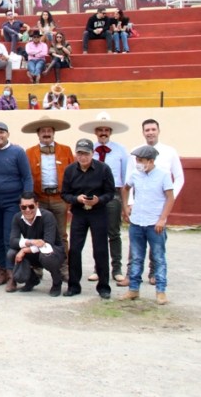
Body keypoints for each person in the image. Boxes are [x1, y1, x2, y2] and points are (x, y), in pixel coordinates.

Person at [128, 118, 184, 286]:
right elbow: (129, 179)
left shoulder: (170, 151)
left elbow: (179, 177)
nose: (150, 132)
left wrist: (170, 197)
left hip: (159, 204)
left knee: (157, 239)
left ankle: (153, 272)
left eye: (153, 129)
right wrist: (130, 202)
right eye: (147, 130)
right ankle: (131, 275)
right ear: (143, 132)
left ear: (158, 131)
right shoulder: (135, 152)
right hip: (140, 204)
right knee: (136, 240)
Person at [80, 112, 130, 285]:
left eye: (106, 130)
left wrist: (125, 203)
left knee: (113, 233)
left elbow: (125, 178)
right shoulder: (89, 150)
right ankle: (98, 268)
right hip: (94, 195)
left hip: (113, 194)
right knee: (97, 233)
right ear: (95, 132)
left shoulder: (121, 150)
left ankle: (116, 268)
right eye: (100, 130)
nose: (103, 133)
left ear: (110, 132)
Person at [61, 138, 116, 299]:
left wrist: (98, 200)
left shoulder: (103, 169)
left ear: (92, 154)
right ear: (76, 154)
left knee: (100, 249)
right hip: (79, 212)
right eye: (79, 153)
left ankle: (104, 286)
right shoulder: (70, 170)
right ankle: (74, 285)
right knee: (75, 249)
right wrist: (76, 199)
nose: (83, 157)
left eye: (86, 154)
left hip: (98, 212)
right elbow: (64, 194)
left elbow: (110, 192)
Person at [22, 115, 74, 282]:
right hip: (40, 199)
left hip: (60, 198)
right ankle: (37, 268)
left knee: (61, 235)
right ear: (38, 134)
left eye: (49, 130)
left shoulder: (66, 150)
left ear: (54, 132)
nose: (46, 133)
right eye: (43, 131)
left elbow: (72, 174)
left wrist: (70, 198)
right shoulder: (29, 152)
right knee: (37, 233)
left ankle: (63, 267)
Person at [121, 146, 175, 305]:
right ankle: (133, 289)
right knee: (136, 257)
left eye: (141, 160)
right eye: (137, 160)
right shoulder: (135, 174)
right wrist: (126, 207)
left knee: (158, 257)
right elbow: (126, 189)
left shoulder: (163, 175)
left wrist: (162, 219)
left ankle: (161, 291)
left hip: (154, 222)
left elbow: (170, 198)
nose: (138, 163)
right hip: (137, 221)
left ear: (150, 161)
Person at [0, 121, 33, 288]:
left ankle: (12, 273)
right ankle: (1, 270)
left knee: (9, 237)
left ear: (7, 134)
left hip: (12, 201)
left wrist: (27, 199)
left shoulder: (18, 152)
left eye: (1, 132)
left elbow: (27, 177)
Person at [6, 192, 66, 296]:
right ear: (20, 207)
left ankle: (57, 282)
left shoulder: (47, 216)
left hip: (54, 252)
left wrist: (24, 250)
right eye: (24, 207)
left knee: (46, 255)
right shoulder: (17, 217)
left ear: (37, 205)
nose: (27, 210)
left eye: (31, 206)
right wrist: (31, 242)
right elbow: (12, 241)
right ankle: (32, 279)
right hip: (34, 251)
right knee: (11, 254)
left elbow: (48, 243)